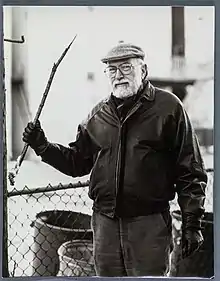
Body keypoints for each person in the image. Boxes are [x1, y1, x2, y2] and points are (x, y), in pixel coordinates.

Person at [22, 42, 207, 277]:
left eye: (126, 68)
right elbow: (76, 162)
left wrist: (192, 223)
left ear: (144, 71)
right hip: (104, 227)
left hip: (148, 226)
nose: (118, 75)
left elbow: (190, 169)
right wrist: (42, 146)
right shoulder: (98, 116)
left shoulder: (168, 109)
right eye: (112, 69)